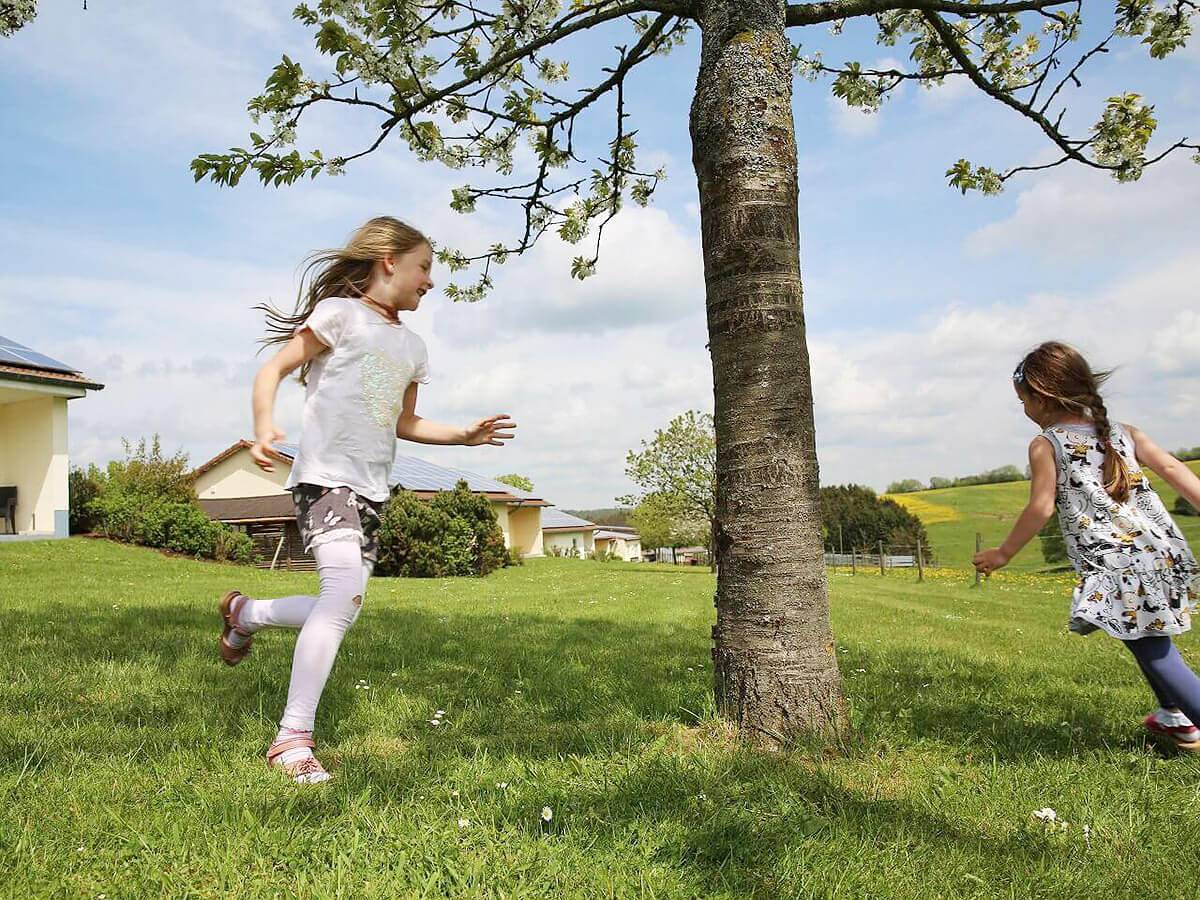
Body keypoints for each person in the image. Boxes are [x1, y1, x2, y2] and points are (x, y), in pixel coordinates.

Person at [217, 216, 515, 783]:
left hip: (373, 488)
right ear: (389, 262)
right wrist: (262, 427)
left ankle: (245, 613)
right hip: (326, 477)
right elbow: (274, 367)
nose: (430, 281)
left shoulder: (411, 347)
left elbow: (401, 420)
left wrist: (465, 436)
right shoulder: (340, 316)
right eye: (424, 267)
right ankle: (291, 739)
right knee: (342, 595)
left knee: (342, 607)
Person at [974, 341, 1200, 751]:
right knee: (1145, 639)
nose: (1023, 409)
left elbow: (1040, 507)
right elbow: (1171, 467)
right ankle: (1175, 718)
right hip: (1162, 554)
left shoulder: (1047, 444)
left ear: (1042, 398)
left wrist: (1002, 553)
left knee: (1155, 651)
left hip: (1118, 567)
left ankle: (1186, 717)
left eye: (1023, 400)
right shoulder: (1125, 433)